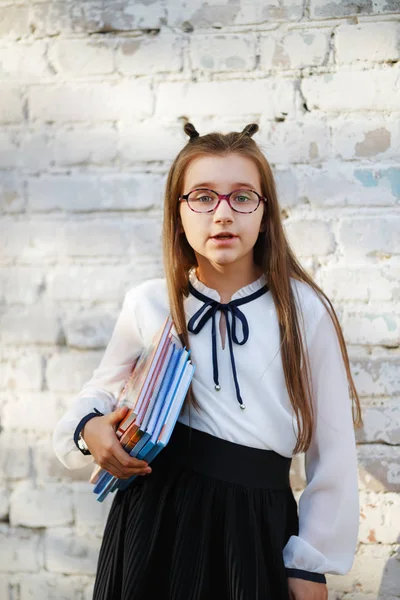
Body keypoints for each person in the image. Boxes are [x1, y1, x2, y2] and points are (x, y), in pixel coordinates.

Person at [53, 122, 362, 600]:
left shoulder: (303, 310)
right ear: (178, 215)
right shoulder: (150, 302)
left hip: (253, 525)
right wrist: (89, 428)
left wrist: (310, 564)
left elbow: (335, 450)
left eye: (242, 197)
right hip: (152, 520)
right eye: (202, 197)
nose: (223, 214)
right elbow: (98, 390)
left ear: (266, 214)